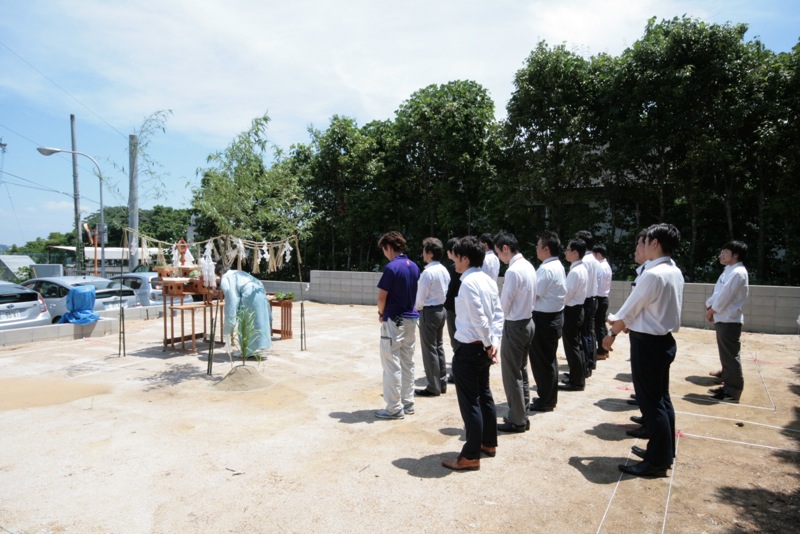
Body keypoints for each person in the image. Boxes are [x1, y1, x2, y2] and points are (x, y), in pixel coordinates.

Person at [603, 223, 684, 478]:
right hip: (662, 341)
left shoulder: (653, 275)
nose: (642, 246)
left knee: (652, 405)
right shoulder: (673, 271)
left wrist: (611, 333)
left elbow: (630, 310)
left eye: (645, 241)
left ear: (655, 243)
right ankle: (664, 452)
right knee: (661, 400)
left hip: (648, 344)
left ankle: (656, 461)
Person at [442, 236, 504, 471]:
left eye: (456, 258)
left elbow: (479, 318)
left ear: (465, 259)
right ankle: (488, 443)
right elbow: (497, 315)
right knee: (484, 396)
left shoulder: (468, 283)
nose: (454, 262)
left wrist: (489, 344)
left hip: (470, 347)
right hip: (483, 347)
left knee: (471, 402)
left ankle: (470, 455)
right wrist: (493, 343)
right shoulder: (488, 280)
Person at [494, 231, 536, 433]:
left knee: (512, 374)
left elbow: (504, 305)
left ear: (505, 248)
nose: (499, 258)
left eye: (498, 253)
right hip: (528, 322)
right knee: (521, 371)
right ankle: (522, 414)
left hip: (515, 324)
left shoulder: (513, 271)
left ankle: (517, 419)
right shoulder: (529, 265)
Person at [375, 231, 420, 420]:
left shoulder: (392, 267)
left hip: (395, 318)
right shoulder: (414, 266)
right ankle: (408, 402)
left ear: (389, 247)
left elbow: (381, 297)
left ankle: (394, 407)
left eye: (384, 250)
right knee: (407, 361)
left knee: (391, 362)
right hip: (411, 318)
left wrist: (381, 313)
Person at [705, 240, 749, 403]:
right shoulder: (729, 271)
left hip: (729, 319)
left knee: (730, 356)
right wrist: (709, 305)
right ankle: (727, 386)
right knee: (726, 355)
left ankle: (733, 391)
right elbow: (718, 293)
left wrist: (712, 310)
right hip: (723, 317)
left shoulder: (738, 273)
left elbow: (726, 296)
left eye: (725, 252)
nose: (721, 255)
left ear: (736, 255)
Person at [529, 230, 566, 412]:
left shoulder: (546, 269)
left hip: (544, 319)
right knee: (549, 360)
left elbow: (534, 294)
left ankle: (546, 400)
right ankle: (548, 397)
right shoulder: (557, 265)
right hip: (554, 317)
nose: (536, 249)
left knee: (542, 361)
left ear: (546, 249)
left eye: (538, 246)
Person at [414, 237, 451, 397]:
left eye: (424, 251)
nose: (422, 254)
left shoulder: (428, 272)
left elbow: (420, 297)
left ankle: (433, 386)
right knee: (438, 347)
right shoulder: (444, 270)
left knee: (429, 349)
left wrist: (416, 309)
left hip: (429, 312)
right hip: (441, 310)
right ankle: (441, 383)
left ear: (429, 253)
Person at [218, 265, 273, 356]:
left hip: (249, 295)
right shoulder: (238, 272)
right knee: (260, 320)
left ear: (221, 273)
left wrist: (229, 323)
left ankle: (247, 350)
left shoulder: (226, 277)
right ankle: (259, 347)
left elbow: (232, 298)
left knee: (247, 322)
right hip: (259, 291)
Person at [559, 239, 588, 392]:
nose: (566, 252)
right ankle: (577, 375)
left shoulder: (575, 271)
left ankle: (576, 381)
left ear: (575, 253)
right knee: (576, 345)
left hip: (572, 311)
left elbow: (567, 295)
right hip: (577, 309)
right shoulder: (581, 268)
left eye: (568, 250)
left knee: (572, 347)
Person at [576, 231, 599, 377]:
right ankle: (591, 361)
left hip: (585, 299)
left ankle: (586, 364)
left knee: (584, 333)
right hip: (593, 298)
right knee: (590, 331)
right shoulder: (594, 259)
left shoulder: (584, 260)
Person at [444, 238, 461, 384]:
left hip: (453, 309)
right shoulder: (467, 267)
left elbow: (449, 290)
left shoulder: (454, 268)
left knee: (456, 342)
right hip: (461, 309)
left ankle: (458, 373)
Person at [593, 245, 613, 361]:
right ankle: (605, 349)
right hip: (604, 297)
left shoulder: (600, 267)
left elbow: (597, 284)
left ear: (598, 254)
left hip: (600, 298)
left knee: (598, 326)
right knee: (601, 325)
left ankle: (601, 351)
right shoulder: (607, 266)